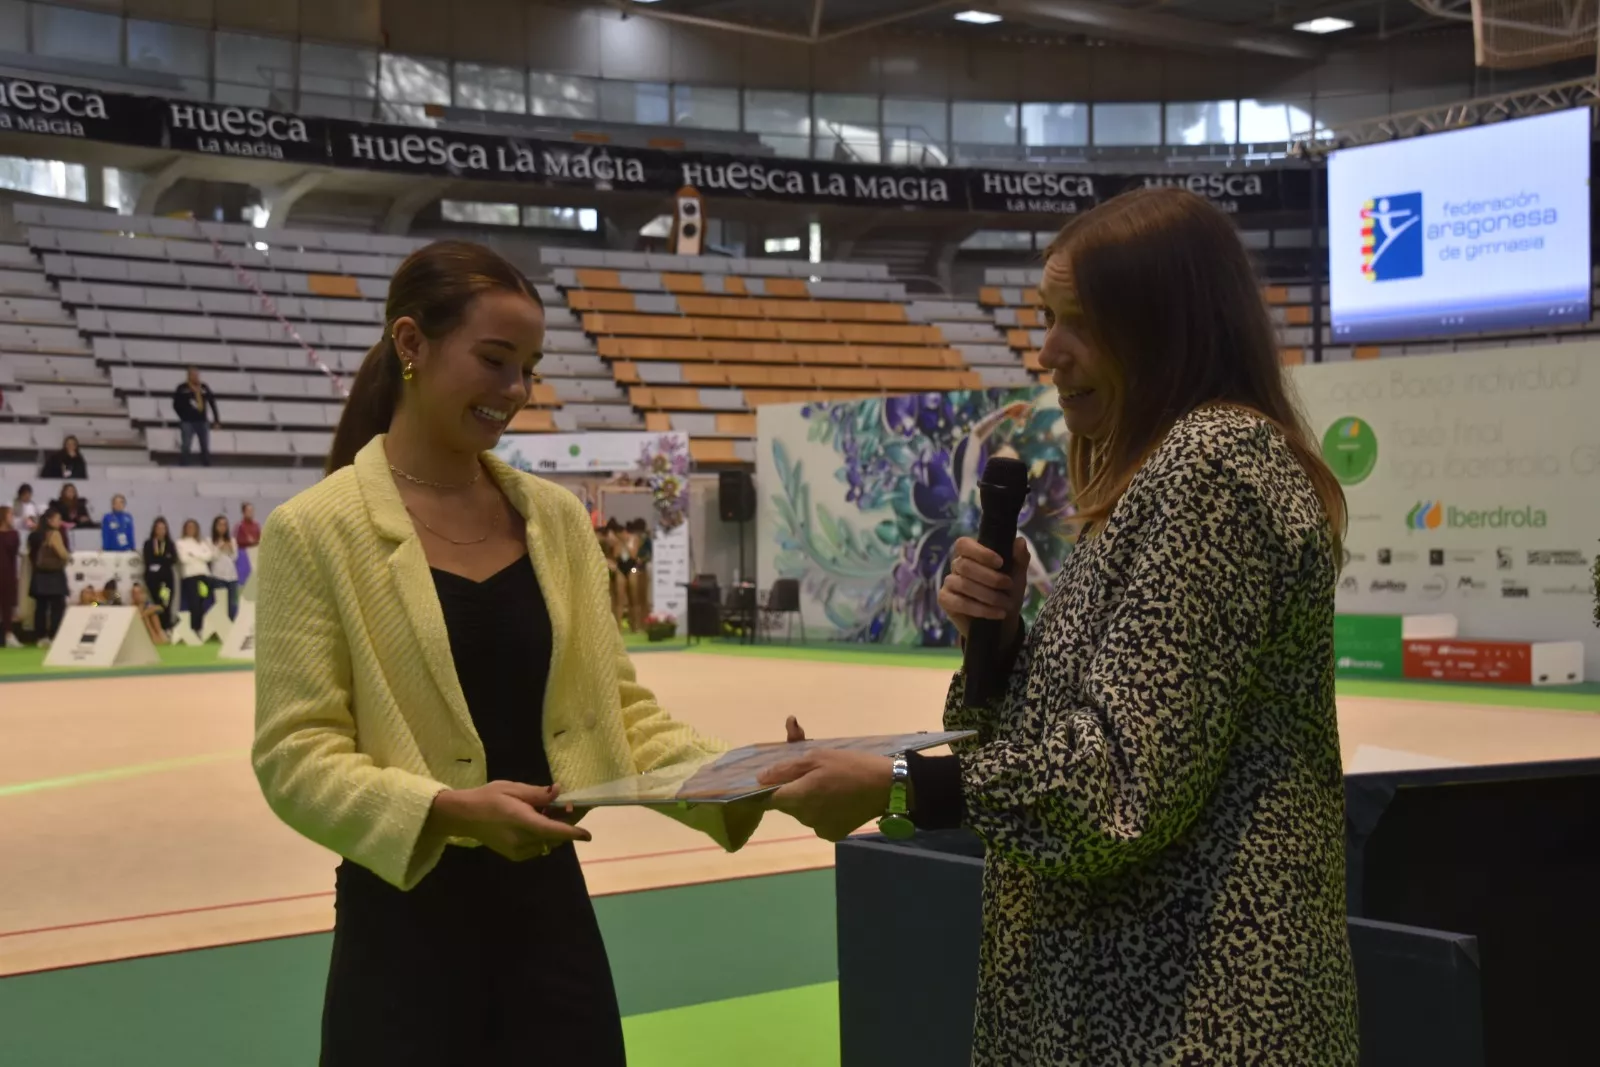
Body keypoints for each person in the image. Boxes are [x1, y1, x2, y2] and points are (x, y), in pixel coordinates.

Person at [759, 188, 1359, 1066]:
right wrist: (999, 638)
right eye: (1046, 318)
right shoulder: (1160, 479)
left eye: (1079, 322)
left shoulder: (1214, 465)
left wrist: (895, 784)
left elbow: (1115, 786)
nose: (1047, 352)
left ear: (1166, 330)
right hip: (1117, 1001)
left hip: (1199, 1014)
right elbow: (1056, 737)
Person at [251, 240, 777, 1065]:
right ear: (411, 344)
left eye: (528, 368)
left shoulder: (558, 521)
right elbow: (295, 755)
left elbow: (618, 713)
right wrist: (449, 810)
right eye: (495, 361)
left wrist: (748, 775)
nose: (516, 393)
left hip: (550, 929)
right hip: (403, 940)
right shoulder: (314, 530)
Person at [27, 507, 70, 647]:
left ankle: (40, 636)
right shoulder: (54, 534)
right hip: (54, 576)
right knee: (57, 606)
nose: (60, 522)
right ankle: (54, 634)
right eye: (58, 519)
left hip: (39, 575)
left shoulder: (35, 535)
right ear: (50, 520)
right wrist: (67, 558)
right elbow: (63, 554)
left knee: (41, 607)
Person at [173, 366, 222, 467]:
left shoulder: (204, 387)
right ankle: (183, 464)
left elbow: (212, 402)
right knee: (186, 445)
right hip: (187, 421)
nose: (196, 377)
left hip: (202, 421)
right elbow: (175, 404)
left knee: (204, 445)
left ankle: (206, 464)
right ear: (189, 376)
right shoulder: (182, 388)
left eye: (197, 375)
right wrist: (183, 415)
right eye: (193, 375)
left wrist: (216, 419)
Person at [175, 518, 215, 633]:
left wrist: (193, 554)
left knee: (203, 602)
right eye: (189, 527)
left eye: (193, 527)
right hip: (190, 576)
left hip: (204, 575)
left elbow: (209, 556)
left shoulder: (203, 542)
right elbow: (184, 559)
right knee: (194, 603)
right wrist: (200, 555)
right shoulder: (180, 543)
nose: (191, 529)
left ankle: (202, 628)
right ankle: (194, 628)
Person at [142, 517, 177, 631]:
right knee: (157, 602)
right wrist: (164, 558)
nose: (161, 531)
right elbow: (149, 559)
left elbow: (173, 559)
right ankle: (160, 627)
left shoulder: (170, 544)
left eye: (163, 528)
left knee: (166, 602)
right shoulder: (148, 543)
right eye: (158, 528)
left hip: (166, 578)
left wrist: (160, 559)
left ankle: (167, 626)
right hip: (153, 578)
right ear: (154, 529)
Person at [209, 514, 240, 621]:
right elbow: (211, 557)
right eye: (220, 525)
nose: (222, 527)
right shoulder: (210, 541)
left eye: (225, 525)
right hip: (218, 575)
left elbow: (235, 557)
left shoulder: (232, 540)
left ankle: (231, 627)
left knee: (232, 604)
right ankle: (221, 628)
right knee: (221, 604)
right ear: (215, 526)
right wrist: (219, 548)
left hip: (231, 576)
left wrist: (231, 549)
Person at [0, 505, 19, 647]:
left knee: (7, 605)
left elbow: (13, 553)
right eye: (10, 514)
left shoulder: (13, 534)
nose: (12, 516)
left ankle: (9, 634)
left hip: (7, 572)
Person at [130, 582, 169, 646]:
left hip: (152, 628)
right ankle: (157, 640)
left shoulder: (147, 604)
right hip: (138, 632)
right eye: (135, 594)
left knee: (153, 615)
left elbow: (160, 608)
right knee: (146, 618)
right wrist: (144, 614)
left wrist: (145, 613)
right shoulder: (131, 607)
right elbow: (137, 616)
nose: (137, 596)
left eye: (139, 593)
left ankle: (160, 639)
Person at [235, 502, 261, 586]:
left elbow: (260, 539)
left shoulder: (256, 525)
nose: (250, 512)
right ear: (243, 512)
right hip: (243, 555)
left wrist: (255, 542)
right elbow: (236, 540)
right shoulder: (239, 525)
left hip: (255, 554)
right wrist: (248, 541)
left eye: (251, 510)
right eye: (248, 510)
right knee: (244, 582)